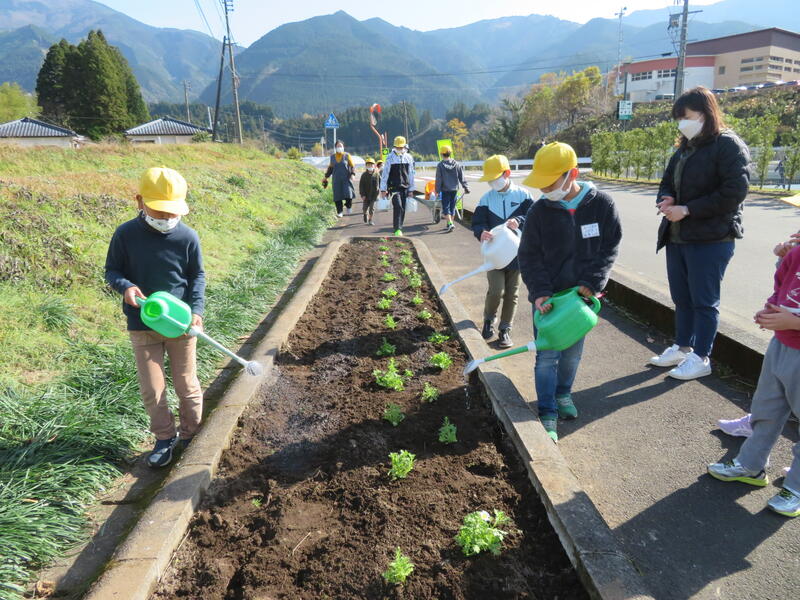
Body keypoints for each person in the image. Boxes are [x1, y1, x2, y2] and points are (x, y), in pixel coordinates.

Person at [518, 142, 622, 442]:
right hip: (549, 298)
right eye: (542, 183)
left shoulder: (602, 205)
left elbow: (609, 246)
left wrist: (594, 281)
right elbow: (529, 256)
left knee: (572, 355)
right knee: (546, 356)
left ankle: (563, 394)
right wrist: (540, 292)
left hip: (580, 298)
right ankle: (547, 411)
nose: (545, 189)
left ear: (572, 175)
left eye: (550, 183)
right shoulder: (539, 211)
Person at [104, 167, 205, 468]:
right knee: (152, 388)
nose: (166, 218)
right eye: (159, 211)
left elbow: (197, 276)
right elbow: (112, 270)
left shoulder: (187, 237)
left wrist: (196, 311)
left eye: (172, 212)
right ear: (140, 201)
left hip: (180, 323)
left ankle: (192, 434)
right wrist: (125, 286)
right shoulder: (125, 235)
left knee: (186, 384)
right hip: (142, 323)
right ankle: (164, 437)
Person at [650, 86, 750, 380]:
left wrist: (688, 209)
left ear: (706, 114)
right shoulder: (686, 147)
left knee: (704, 302)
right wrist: (667, 198)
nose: (682, 123)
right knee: (682, 298)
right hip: (678, 235)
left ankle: (701, 357)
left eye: (687, 116)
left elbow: (734, 192)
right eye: (679, 118)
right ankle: (683, 347)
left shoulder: (728, 145)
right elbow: (667, 181)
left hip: (711, 238)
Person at [707, 242, 800, 518]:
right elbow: (782, 283)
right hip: (781, 344)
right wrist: (771, 310)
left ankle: (795, 488)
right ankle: (751, 465)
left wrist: (794, 322)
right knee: (766, 409)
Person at [472, 154, 533, 349]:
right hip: (495, 254)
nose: (492, 183)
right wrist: (481, 232)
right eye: (489, 180)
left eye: (495, 178)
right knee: (496, 290)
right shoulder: (486, 199)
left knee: (512, 293)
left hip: (517, 254)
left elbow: (533, 218)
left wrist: (519, 221)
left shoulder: (524, 195)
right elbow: (478, 222)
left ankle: (505, 329)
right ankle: (489, 319)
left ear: (507, 173)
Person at [379, 136, 415, 236]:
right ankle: (397, 229)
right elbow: (385, 174)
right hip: (393, 187)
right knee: (398, 206)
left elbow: (411, 174)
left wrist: (411, 189)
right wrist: (383, 189)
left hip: (405, 187)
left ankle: (399, 227)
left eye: (401, 147)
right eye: (397, 147)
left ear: (404, 147)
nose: (399, 149)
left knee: (402, 208)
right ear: (394, 146)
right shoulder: (390, 157)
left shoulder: (408, 157)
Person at [435, 144, 470, 232]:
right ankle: (450, 224)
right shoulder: (456, 164)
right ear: (450, 153)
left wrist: (437, 190)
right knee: (452, 207)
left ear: (441, 154)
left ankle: (450, 223)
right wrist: (465, 187)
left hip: (445, 190)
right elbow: (461, 176)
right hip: (454, 189)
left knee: (446, 207)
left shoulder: (440, 165)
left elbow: (439, 179)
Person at [323, 141, 356, 218]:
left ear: (343, 147)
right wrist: (326, 177)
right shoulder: (332, 157)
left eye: (341, 146)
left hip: (346, 179)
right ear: (335, 147)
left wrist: (353, 174)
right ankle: (339, 212)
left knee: (348, 194)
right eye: (338, 146)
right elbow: (330, 168)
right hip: (336, 179)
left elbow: (352, 166)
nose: (339, 147)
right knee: (337, 196)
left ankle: (348, 206)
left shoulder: (347, 156)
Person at [359, 156, 380, 226]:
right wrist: (362, 195)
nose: (370, 166)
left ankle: (370, 220)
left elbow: (381, 183)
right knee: (364, 208)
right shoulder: (364, 175)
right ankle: (365, 214)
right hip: (366, 195)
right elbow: (361, 185)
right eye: (368, 165)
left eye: (371, 165)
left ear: (374, 166)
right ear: (366, 166)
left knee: (371, 208)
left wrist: (381, 191)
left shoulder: (376, 174)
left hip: (374, 195)